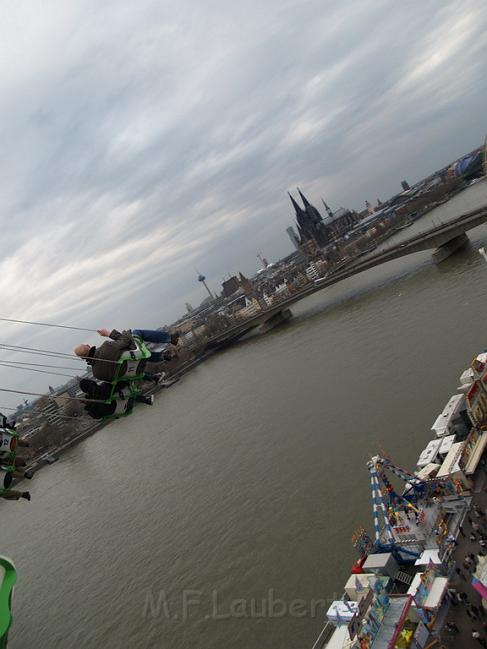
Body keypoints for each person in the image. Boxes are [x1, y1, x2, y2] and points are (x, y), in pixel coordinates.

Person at [74, 328, 179, 382]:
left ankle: (157, 368)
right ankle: (170, 338)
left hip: (137, 372)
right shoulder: (106, 347)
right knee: (136, 333)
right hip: (139, 358)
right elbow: (126, 340)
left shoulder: (97, 374)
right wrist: (108, 334)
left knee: (131, 354)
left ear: (83, 358)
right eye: (86, 345)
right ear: (88, 346)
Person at [79, 378, 153, 420]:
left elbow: (97, 416)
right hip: (126, 404)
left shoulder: (93, 410)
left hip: (120, 411)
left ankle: (147, 399)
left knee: (121, 396)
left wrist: (89, 405)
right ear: (92, 382)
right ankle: (147, 398)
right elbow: (121, 384)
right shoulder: (104, 387)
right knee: (125, 392)